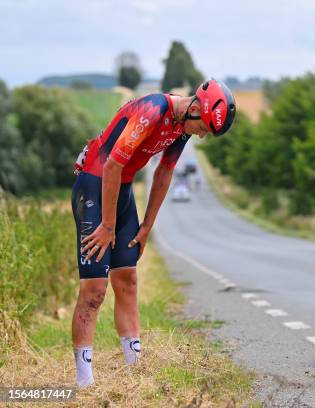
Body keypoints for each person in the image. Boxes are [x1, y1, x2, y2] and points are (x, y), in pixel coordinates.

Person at [70, 79, 236, 388]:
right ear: (197, 108)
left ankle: (135, 371)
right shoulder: (155, 110)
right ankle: (84, 384)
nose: (201, 134)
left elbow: (164, 172)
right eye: (203, 128)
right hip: (96, 184)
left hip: (121, 190)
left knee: (128, 281)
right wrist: (107, 226)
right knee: (95, 289)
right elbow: (112, 166)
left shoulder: (182, 125)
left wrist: (147, 227)